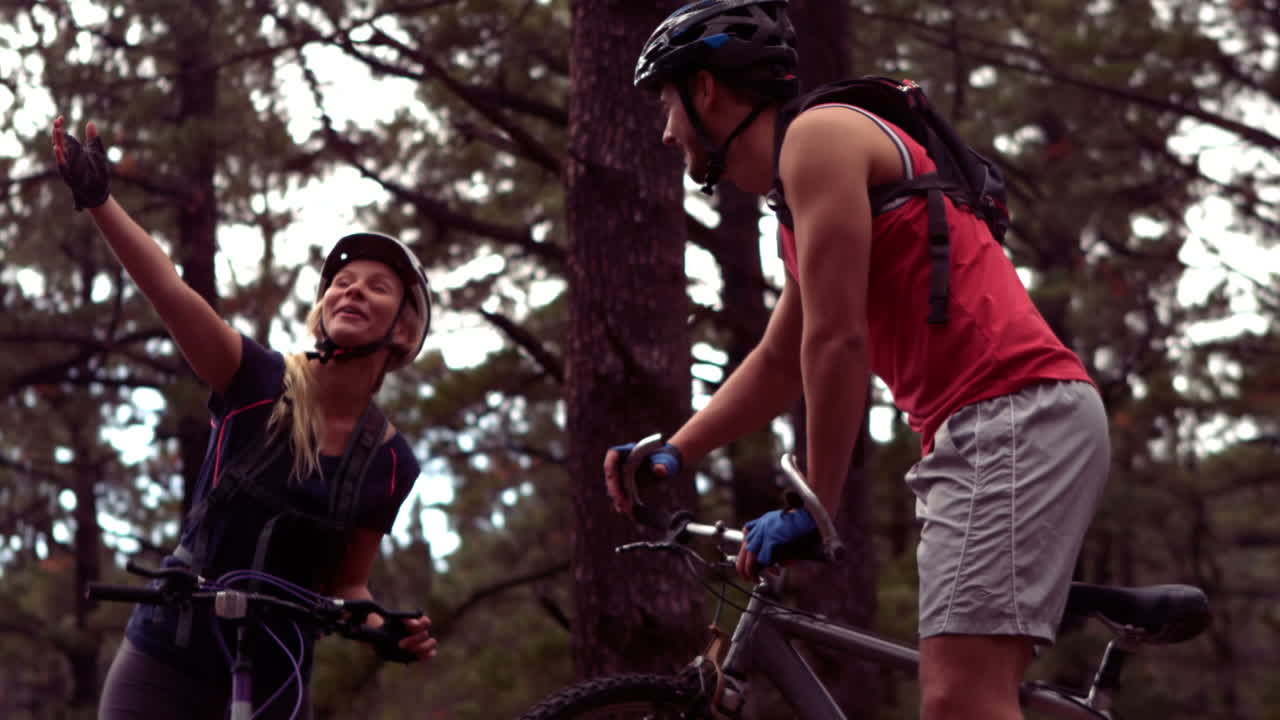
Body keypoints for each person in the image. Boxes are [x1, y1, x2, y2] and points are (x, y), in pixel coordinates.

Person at [603, 2, 1110, 719]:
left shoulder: (818, 139)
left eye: (667, 103)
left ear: (706, 90)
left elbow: (838, 339)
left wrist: (817, 503)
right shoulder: (801, 197)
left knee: (961, 700)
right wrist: (677, 453)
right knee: (966, 692)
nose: (666, 129)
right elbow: (781, 360)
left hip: (1012, 414)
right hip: (993, 424)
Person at [52, 116, 437, 720]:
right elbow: (170, 290)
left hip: (277, 684)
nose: (352, 292)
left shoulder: (391, 462)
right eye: (341, 283)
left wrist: (385, 625)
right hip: (163, 664)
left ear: (405, 331)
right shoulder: (255, 380)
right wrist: (101, 202)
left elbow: (347, 585)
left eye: (377, 287)